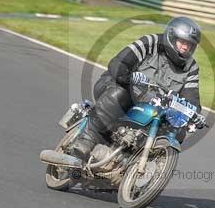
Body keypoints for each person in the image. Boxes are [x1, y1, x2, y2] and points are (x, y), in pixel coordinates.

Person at [69, 17, 204, 161]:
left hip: (152, 106)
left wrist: (193, 114)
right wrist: (131, 80)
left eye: (189, 45)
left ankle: (133, 161)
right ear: (171, 37)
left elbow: (192, 97)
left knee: (178, 126)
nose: (185, 48)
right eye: (182, 42)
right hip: (117, 87)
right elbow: (119, 63)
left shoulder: (191, 68)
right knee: (120, 93)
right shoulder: (149, 43)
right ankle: (87, 139)